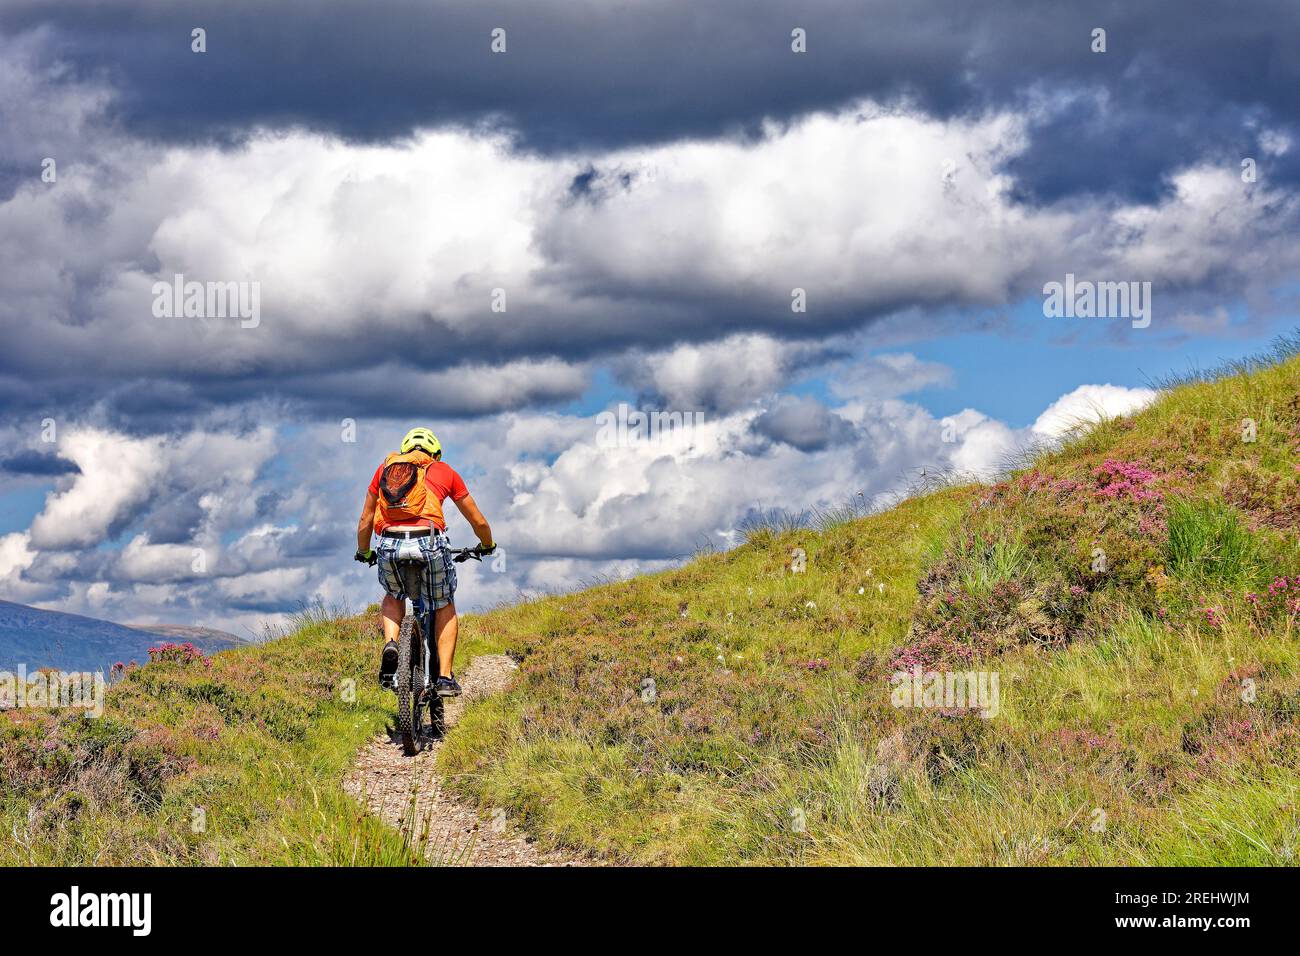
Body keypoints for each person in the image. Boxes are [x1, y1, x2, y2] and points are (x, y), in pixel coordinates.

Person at [354, 426, 494, 697]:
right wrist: (487, 545)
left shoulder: (385, 470)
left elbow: (365, 519)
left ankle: (392, 643)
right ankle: (444, 678)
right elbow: (478, 520)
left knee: (393, 594)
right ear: (435, 453)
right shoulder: (444, 471)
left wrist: (364, 551)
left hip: (390, 542)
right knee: (444, 602)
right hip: (429, 542)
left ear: (405, 452)